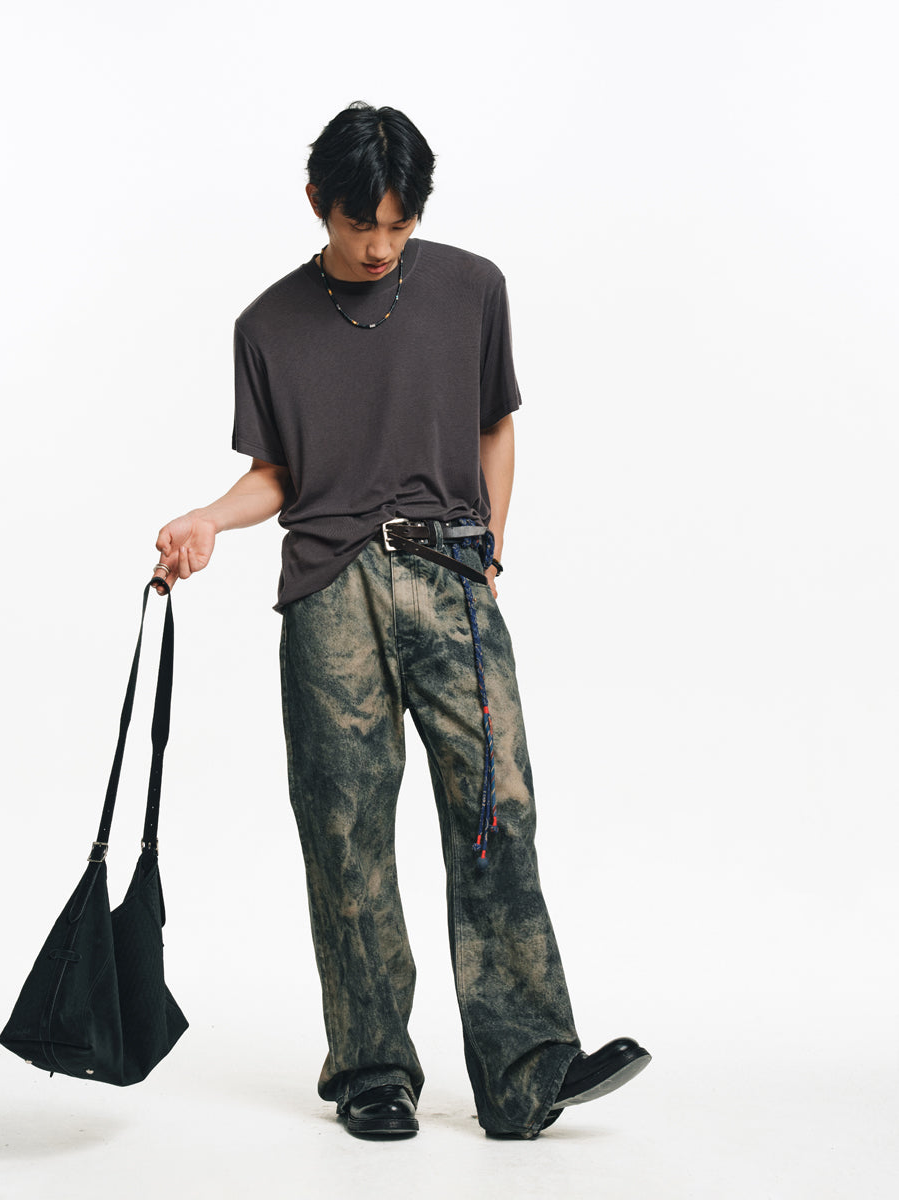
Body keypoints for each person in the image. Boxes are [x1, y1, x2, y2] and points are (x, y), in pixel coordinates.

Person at [151, 102, 650, 1139]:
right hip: (329, 594)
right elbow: (279, 475)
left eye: (399, 223)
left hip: (449, 571)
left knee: (497, 807)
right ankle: (373, 1068)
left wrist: (490, 554)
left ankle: (527, 1071)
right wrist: (206, 519)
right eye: (358, 224)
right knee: (345, 830)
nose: (379, 245)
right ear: (315, 203)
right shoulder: (268, 326)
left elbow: (495, 427)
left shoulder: (472, 288)